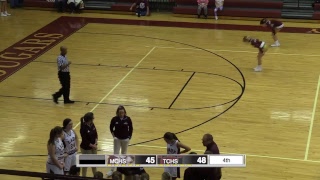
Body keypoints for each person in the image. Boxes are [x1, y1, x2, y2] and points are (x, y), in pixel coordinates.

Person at [107, 105, 133, 177]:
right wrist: (113, 136)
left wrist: (129, 137)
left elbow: (131, 128)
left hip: (125, 139)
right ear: (117, 113)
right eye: (120, 113)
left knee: (124, 154)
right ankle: (112, 170)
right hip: (117, 139)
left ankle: (122, 169)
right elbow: (111, 127)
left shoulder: (128, 119)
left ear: (125, 112)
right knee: (115, 154)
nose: (121, 114)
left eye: (123, 112)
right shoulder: (114, 119)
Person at [80, 112, 98, 177]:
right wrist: (92, 145)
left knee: (94, 164)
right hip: (86, 148)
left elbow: (96, 134)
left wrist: (95, 143)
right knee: (85, 164)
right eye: (93, 117)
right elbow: (85, 140)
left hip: (93, 147)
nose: (94, 118)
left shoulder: (92, 124)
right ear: (90, 119)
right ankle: (83, 177)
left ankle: (96, 176)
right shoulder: (83, 128)